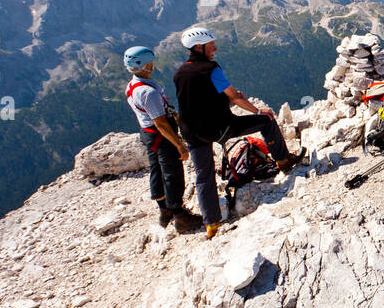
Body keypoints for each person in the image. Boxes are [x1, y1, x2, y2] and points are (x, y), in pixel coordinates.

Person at [173, 26, 306, 239]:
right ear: (199, 47)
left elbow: (197, 99)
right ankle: (283, 161)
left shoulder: (179, 73)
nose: (215, 47)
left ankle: (211, 223)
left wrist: (223, 98)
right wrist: (258, 110)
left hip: (191, 132)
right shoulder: (211, 68)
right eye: (211, 44)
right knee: (266, 122)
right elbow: (235, 97)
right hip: (219, 127)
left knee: (203, 174)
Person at [122, 46, 203, 233]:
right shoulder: (148, 93)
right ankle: (179, 215)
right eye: (151, 62)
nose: (153, 65)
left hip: (148, 134)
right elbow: (160, 123)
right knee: (172, 173)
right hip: (161, 135)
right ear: (146, 65)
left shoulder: (132, 85)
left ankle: (164, 210)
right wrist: (179, 145)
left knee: (156, 170)